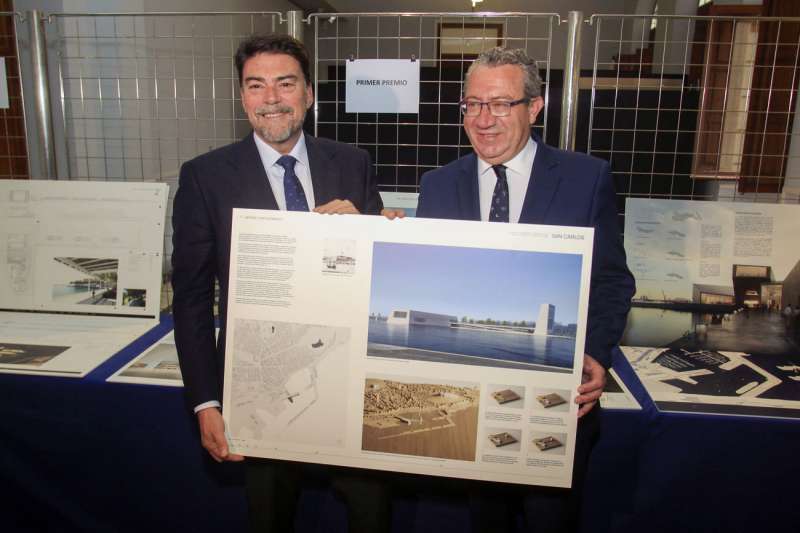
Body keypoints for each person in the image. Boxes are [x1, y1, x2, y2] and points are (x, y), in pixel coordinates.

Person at [171, 34, 390, 532]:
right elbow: (191, 298)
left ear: (309, 93)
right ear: (243, 96)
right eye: (256, 85)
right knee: (270, 516)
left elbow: (381, 275)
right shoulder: (206, 177)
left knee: (371, 512)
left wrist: (369, 228)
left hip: (349, 379)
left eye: (285, 83)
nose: (271, 98)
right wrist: (206, 401)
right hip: (259, 388)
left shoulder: (352, 163)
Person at [417, 47, 635, 532]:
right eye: (472, 104)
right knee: (484, 520)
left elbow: (612, 280)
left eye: (500, 104)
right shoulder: (436, 186)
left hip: (554, 406)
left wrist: (598, 353)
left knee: (550, 521)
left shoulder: (587, 178)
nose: (483, 119)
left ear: (535, 107)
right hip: (469, 405)